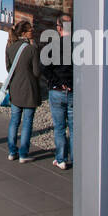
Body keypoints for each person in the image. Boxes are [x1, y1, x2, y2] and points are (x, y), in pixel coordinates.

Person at [4, 20, 43, 163]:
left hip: (15, 88)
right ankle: (23, 154)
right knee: (27, 123)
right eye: (31, 30)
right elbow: (37, 72)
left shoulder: (10, 46)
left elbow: (8, 68)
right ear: (24, 33)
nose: (33, 31)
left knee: (14, 121)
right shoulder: (31, 49)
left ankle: (12, 151)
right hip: (29, 90)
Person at [43, 13, 74, 170]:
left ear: (59, 28)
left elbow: (45, 68)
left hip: (56, 91)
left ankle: (61, 158)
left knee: (59, 127)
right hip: (73, 91)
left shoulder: (53, 46)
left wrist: (56, 82)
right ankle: (75, 158)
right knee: (74, 128)